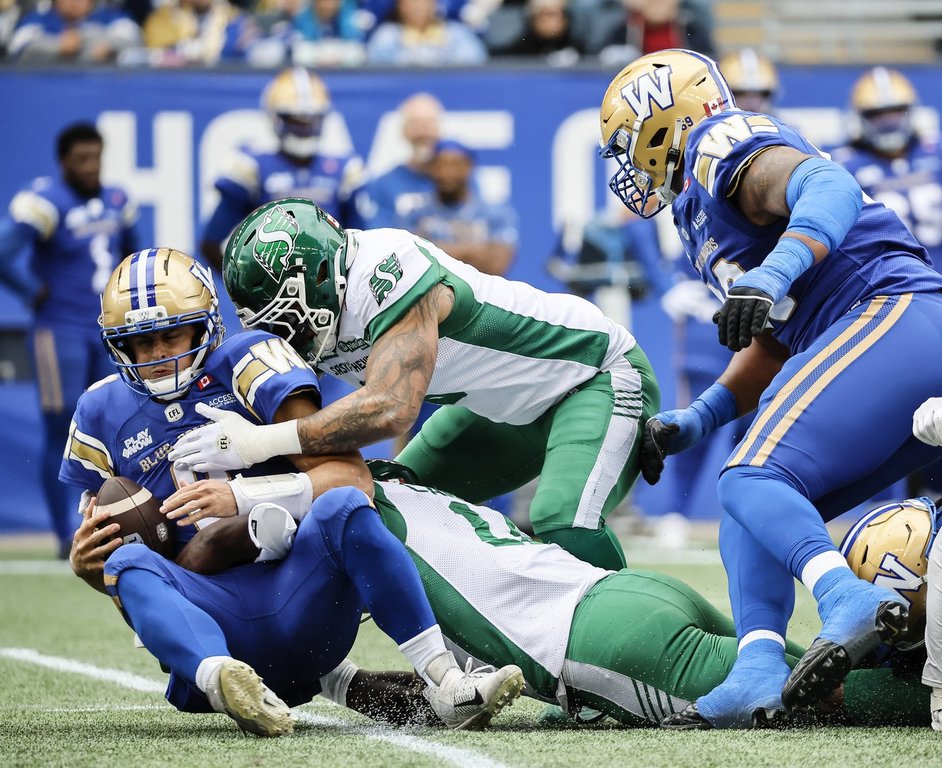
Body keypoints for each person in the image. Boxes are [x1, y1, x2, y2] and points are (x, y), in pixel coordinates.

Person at [597, 49, 942, 728]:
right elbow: (774, 341)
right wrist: (698, 418)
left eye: (628, 142)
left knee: (750, 476)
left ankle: (848, 599)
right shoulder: (694, 212)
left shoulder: (717, 143)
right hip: (877, 330)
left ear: (663, 118)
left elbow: (830, 186)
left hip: (893, 311)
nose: (628, 163)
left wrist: (773, 271)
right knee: (750, 507)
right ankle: (757, 668)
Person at [61, 247, 525, 736]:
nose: (158, 355)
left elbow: (351, 481)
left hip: (298, 591)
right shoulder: (100, 410)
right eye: (141, 342)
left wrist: (241, 497)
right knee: (123, 564)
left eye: (170, 334)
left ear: (204, 324)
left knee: (345, 508)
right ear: (118, 345)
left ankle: (445, 681)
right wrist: (86, 566)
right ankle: (223, 679)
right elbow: (125, 577)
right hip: (211, 613)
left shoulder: (248, 361)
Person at [174, 458, 936, 731]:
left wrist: (170, 540)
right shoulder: (406, 486)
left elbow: (224, 546)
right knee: (821, 670)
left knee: (823, 706)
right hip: (630, 593)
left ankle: (925, 679)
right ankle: (918, 652)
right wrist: (339, 682)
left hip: (602, 644)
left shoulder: (334, 507)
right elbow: (432, 693)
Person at [170, 197, 660, 571]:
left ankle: (636, 661)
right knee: (384, 503)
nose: (284, 336)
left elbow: (390, 407)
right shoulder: (328, 301)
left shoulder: (387, 267)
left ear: (319, 274)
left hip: (591, 372)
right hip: (503, 409)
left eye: (286, 316)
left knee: (562, 519)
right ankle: (475, 653)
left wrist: (253, 443)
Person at [0, 122, 139, 559]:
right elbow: (4, 254)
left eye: (96, 157)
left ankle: (113, 522)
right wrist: (30, 291)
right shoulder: (45, 201)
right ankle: (64, 535)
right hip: (57, 330)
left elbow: (131, 258)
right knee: (63, 429)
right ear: (64, 162)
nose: (91, 166)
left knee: (117, 423)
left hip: (107, 330)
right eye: (81, 159)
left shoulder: (117, 199)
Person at [199, 67, 367, 273]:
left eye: (311, 120)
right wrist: (245, 284)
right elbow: (211, 242)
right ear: (275, 118)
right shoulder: (252, 166)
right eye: (295, 120)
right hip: (269, 289)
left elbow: (362, 242)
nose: (304, 128)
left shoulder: (343, 167)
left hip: (331, 287)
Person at [365, 93, 443, 230]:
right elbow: (378, 235)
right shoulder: (384, 184)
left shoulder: (460, 180)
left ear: (439, 129)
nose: (423, 132)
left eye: (429, 123)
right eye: (416, 124)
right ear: (403, 131)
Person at [9, 0, 141, 63]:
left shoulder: (110, 17)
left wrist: (110, 45)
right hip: (46, 89)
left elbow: (135, 40)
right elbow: (18, 47)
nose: (75, 2)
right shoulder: (38, 19)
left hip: (101, 89)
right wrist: (58, 46)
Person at [365, 0, 487, 66]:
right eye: (410, 2)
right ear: (400, 6)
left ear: (434, 4)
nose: (416, 8)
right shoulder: (386, 36)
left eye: (423, 2)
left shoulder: (458, 34)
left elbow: (476, 67)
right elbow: (374, 70)